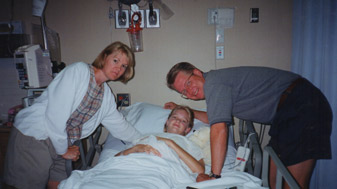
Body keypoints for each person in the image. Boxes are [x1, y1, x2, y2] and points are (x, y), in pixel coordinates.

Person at [165, 62, 332, 188]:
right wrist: (184, 111)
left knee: (292, 184)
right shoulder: (215, 86)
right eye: (184, 92)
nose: (189, 91)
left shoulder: (214, 83)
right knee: (274, 182)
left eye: (188, 83)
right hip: (287, 113)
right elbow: (213, 117)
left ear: (196, 72)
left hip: (302, 106)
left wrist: (214, 176)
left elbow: (219, 128)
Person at [4, 41, 142, 189]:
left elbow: (119, 125)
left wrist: (144, 141)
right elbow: (55, 114)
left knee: (60, 185)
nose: (118, 68)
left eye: (124, 66)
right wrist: (63, 150)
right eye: (116, 60)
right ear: (105, 56)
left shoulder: (106, 94)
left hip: (63, 143)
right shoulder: (79, 71)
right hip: (37, 136)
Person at [115, 105, 205, 174]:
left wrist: (171, 143)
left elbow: (200, 171)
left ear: (187, 129)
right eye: (175, 117)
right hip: (132, 168)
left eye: (183, 121)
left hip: (161, 171)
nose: (178, 121)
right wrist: (135, 149)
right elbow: (116, 159)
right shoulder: (146, 136)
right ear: (167, 121)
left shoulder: (189, 144)